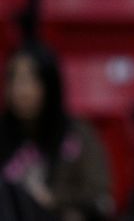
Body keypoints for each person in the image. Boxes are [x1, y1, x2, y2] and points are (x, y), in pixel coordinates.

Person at [0, 45, 113, 221]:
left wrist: (54, 199)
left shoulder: (78, 134)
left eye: (30, 80)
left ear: (50, 85)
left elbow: (99, 197)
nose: (20, 91)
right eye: (14, 80)